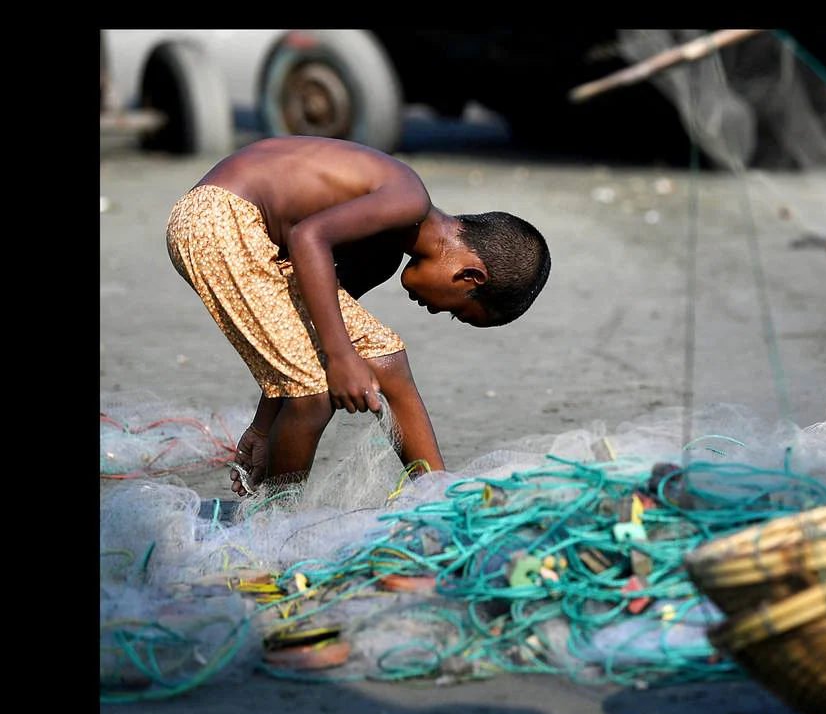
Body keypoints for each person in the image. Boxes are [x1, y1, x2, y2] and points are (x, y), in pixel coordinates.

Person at [165, 135, 551, 496]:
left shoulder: (381, 254)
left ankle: (436, 497)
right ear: (469, 275)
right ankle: (269, 528)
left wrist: (264, 427)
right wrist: (342, 358)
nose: (436, 310)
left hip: (239, 226)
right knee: (314, 394)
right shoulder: (408, 200)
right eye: (456, 311)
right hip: (216, 217)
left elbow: (304, 332)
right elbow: (306, 237)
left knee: (387, 359)